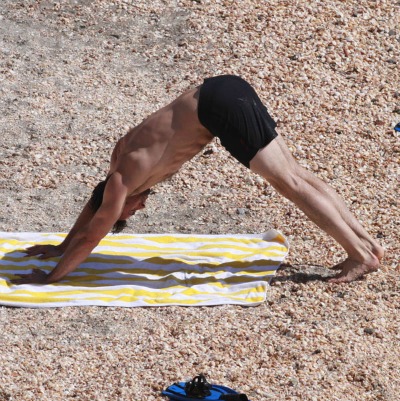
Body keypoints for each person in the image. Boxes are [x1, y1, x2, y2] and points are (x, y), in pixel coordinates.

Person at [12, 75, 384, 285]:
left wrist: (51, 276)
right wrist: (61, 246)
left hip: (216, 109)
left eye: (128, 214)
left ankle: (359, 254)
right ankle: (367, 246)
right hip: (222, 89)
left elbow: (94, 230)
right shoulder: (119, 164)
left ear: (116, 204)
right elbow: (93, 211)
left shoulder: (122, 183)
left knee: (289, 183)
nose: (140, 207)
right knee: (296, 173)